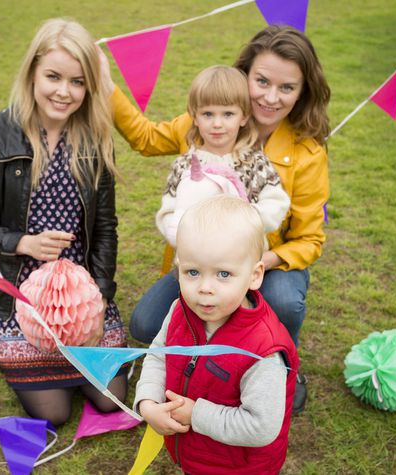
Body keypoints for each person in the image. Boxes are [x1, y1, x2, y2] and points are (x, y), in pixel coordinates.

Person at [103, 24, 330, 413]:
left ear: (302, 91)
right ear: (245, 76)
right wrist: (105, 85)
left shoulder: (306, 153)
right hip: (200, 262)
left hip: (268, 264)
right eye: (261, 81)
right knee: (144, 325)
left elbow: (309, 240)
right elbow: (145, 138)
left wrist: (254, 262)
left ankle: (278, 363)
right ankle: (197, 358)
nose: (271, 98)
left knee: (282, 301)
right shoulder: (204, 127)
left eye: (287, 88)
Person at [0, 18, 127, 427]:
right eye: (53, 76)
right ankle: (25, 356)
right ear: (32, 70)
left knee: (110, 400)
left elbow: (105, 228)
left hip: (79, 292)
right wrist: (21, 242)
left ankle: (79, 351)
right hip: (13, 292)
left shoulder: (96, 139)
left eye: (78, 82)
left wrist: (99, 296)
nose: (64, 92)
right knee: (55, 412)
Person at [135, 195, 298, 475]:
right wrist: (148, 402)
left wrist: (195, 414)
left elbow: (261, 427)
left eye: (223, 274)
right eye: (193, 272)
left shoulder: (263, 351)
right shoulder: (179, 310)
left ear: (255, 275)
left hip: (239, 468)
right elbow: (158, 355)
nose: (205, 288)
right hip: (196, 455)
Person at [155, 65, 289, 248]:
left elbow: (276, 204)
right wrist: (187, 234)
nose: (217, 124)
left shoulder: (255, 163)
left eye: (228, 114)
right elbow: (168, 213)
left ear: (243, 117)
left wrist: (241, 221)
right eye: (208, 114)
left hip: (243, 261)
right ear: (195, 117)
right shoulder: (184, 166)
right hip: (197, 262)